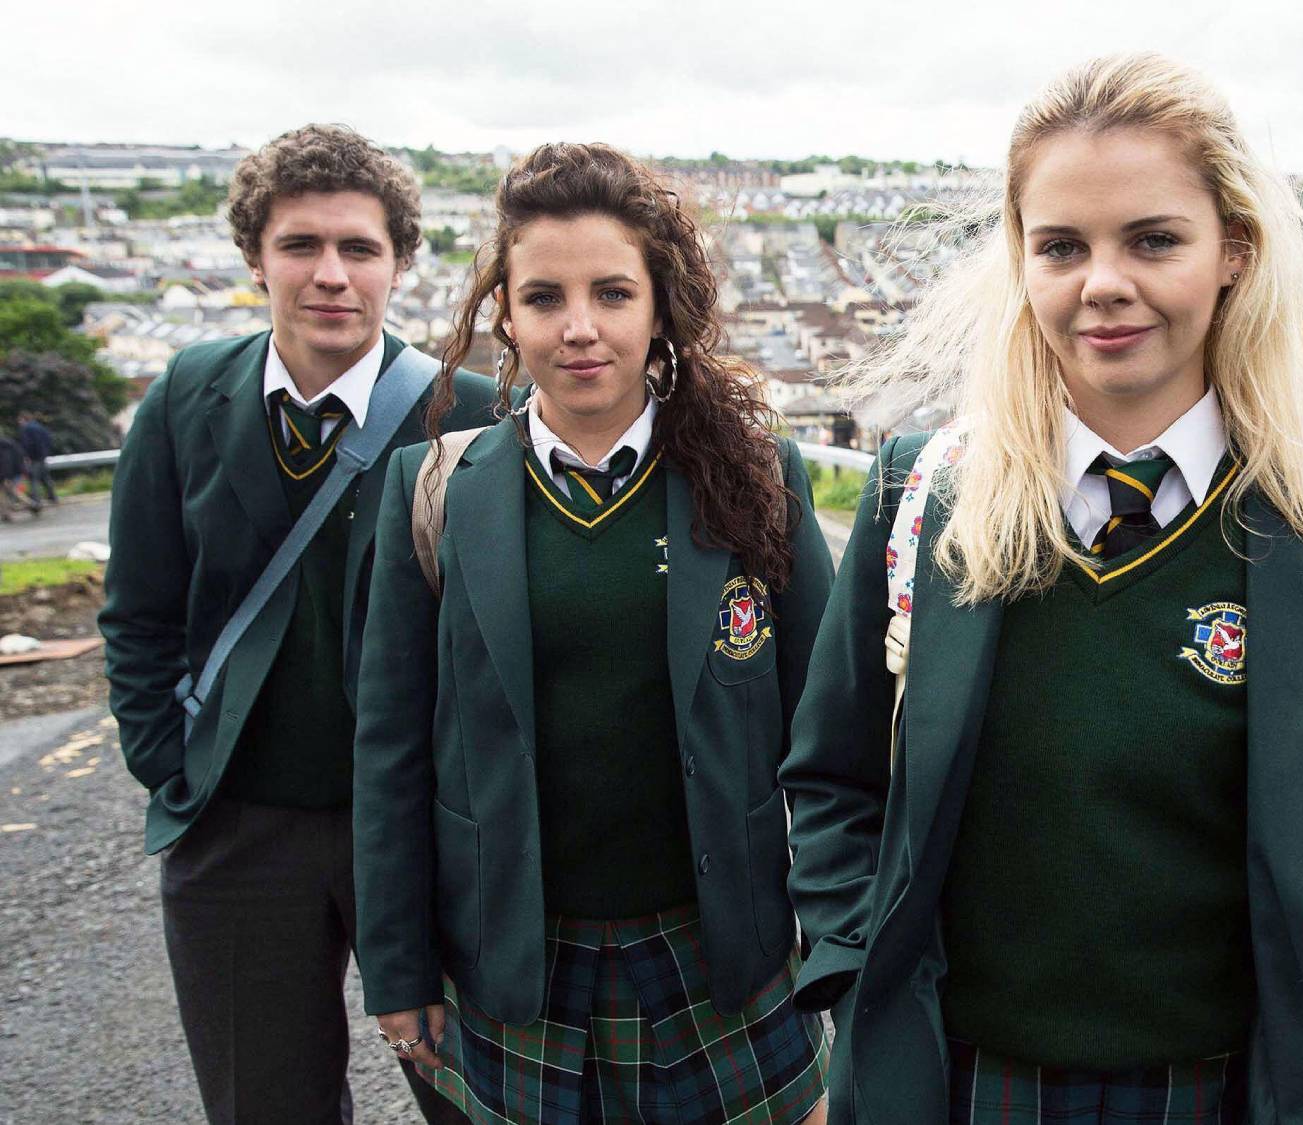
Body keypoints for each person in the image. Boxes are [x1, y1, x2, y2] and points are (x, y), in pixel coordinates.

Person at [780, 54, 1303, 1124]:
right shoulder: (924, 499)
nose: (1102, 283)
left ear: (1233, 250)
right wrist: (856, 978)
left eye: (1151, 239)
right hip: (952, 1084)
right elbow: (835, 777)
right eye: (1059, 246)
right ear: (1019, 262)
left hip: (1223, 1091)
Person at [351, 142, 835, 1125]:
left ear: (660, 308)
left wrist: (837, 941)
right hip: (520, 963)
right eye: (544, 298)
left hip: (725, 956)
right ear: (505, 315)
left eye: (612, 293)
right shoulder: (435, 492)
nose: (580, 329)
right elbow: (391, 753)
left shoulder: (756, 480)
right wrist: (397, 969)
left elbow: (832, 739)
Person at [98, 124, 500, 1125]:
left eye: (359, 249)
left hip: (422, 826)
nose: (331, 275)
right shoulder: (186, 398)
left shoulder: (473, 413)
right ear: (252, 257)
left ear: (401, 263)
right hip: (238, 827)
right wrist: (171, 764)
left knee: (485, 1103)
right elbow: (140, 612)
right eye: (300, 246)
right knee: (262, 1101)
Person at [18, 410, 57, 506]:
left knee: (33, 479)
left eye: (20, 420)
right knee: (45, 477)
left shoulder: (27, 429)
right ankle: (52, 497)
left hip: (34, 457)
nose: (19, 423)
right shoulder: (39, 427)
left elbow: (28, 444)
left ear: (24, 419)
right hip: (42, 456)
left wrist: (27, 456)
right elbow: (48, 439)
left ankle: (36, 500)